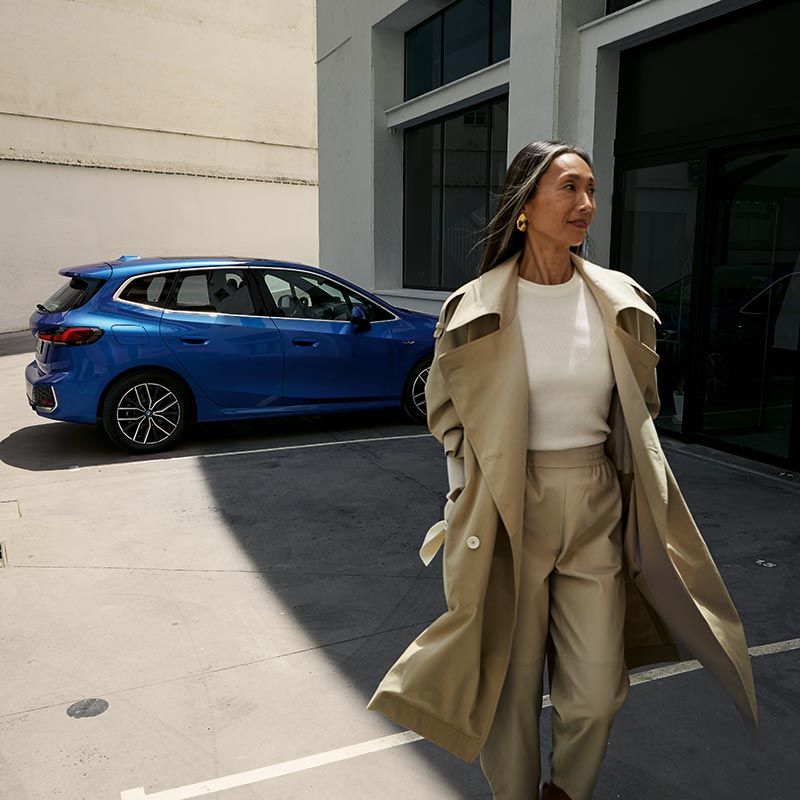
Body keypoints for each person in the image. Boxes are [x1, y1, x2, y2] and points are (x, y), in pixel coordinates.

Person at [368, 141, 757, 800]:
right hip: (507, 506)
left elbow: (642, 404)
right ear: (525, 204)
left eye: (591, 191)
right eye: (570, 189)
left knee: (599, 687)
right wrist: (469, 479)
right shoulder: (474, 306)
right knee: (509, 684)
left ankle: (567, 791)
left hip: (597, 501)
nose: (586, 206)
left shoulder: (620, 299)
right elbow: (445, 412)